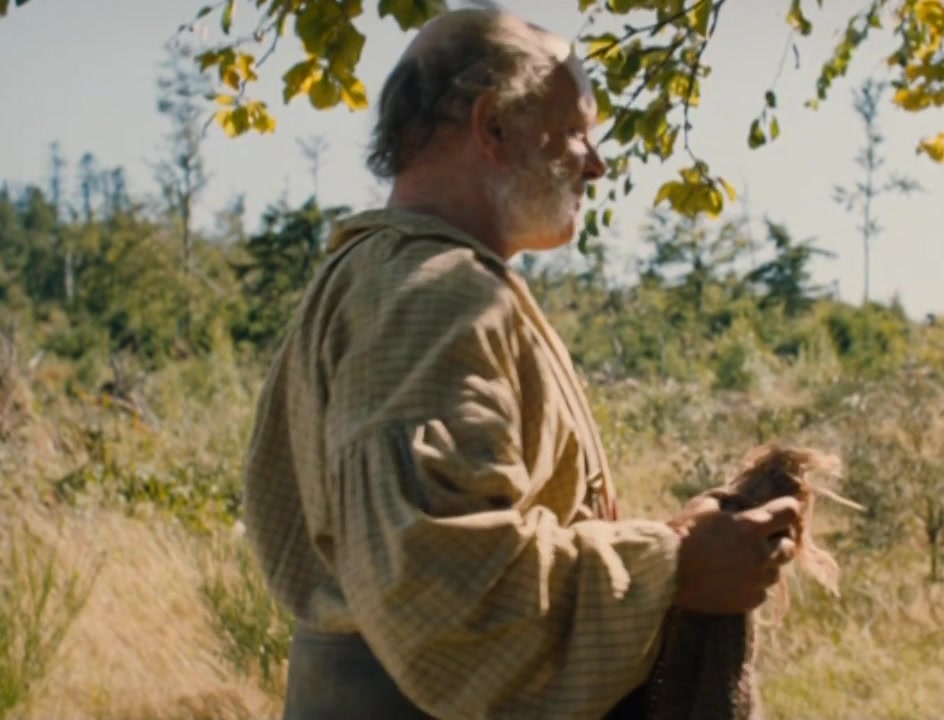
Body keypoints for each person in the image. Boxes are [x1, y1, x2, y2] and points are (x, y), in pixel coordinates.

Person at [238, 8, 803, 720]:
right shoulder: (433, 294)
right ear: (495, 125)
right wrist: (676, 564)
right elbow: (447, 592)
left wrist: (674, 545)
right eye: (577, 132)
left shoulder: (418, 281)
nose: (595, 163)